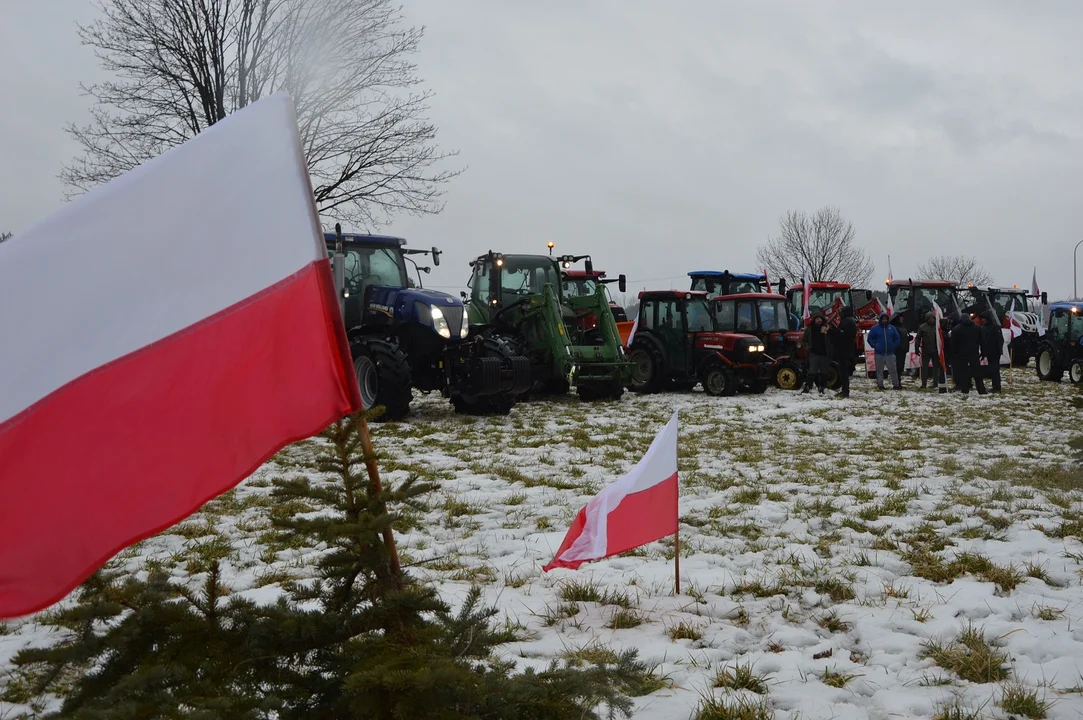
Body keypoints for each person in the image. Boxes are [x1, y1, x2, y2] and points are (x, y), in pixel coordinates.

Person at [950, 313, 987, 395]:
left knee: (963, 372)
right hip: (974, 353)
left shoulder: (956, 329)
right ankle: (981, 389)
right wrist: (983, 352)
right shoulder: (977, 328)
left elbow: (953, 344)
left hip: (961, 354)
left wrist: (954, 354)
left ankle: (965, 389)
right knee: (977, 372)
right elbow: (982, 342)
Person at [867, 312, 902, 390]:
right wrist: (874, 345)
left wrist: (894, 346)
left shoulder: (892, 328)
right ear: (880, 319)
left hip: (890, 353)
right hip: (879, 353)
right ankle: (880, 385)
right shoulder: (875, 328)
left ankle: (896, 385)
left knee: (893, 370)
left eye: (886, 319)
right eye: (883, 319)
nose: (884, 320)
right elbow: (869, 338)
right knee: (879, 370)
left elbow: (897, 338)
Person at [801, 313, 833, 394]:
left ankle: (822, 387)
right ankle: (808, 386)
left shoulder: (827, 328)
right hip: (814, 353)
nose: (819, 320)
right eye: (817, 319)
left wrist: (828, 331)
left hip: (824, 354)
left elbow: (832, 339)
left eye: (820, 319)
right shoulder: (809, 329)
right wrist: (808, 348)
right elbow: (804, 341)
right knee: (812, 371)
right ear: (814, 320)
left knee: (824, 372)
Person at [833, 306, 858, 398]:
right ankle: (844, 390)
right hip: (848, 350)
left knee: (843, 372)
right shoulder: (851, 321)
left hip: (843, 350)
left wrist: (833, 330)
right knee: (844, 372)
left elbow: (842, 335)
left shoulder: (846, 322)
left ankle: (845, 391)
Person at [979, 312, 1004, 393]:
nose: (983, 320)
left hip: (995, 352)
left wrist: (998, 350)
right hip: (989, 352)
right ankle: (995, 386)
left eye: (984, 318)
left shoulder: (995, 327)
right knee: (992, 370)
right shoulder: (983, 328)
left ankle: (997, 387)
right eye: (982, 318)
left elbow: (1000, 340)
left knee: (995, 370)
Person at [914, 312, 940, 389]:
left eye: (932, 318)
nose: (931, 320)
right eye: (929, 318)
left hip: (936, 350)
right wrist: (916, 347)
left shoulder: (937, 326)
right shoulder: (922, 327)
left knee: (936, 367)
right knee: (924, 368)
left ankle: (936, 383)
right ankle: (924, 383)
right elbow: (918, 338)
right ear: (926, 319)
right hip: (926, 350)